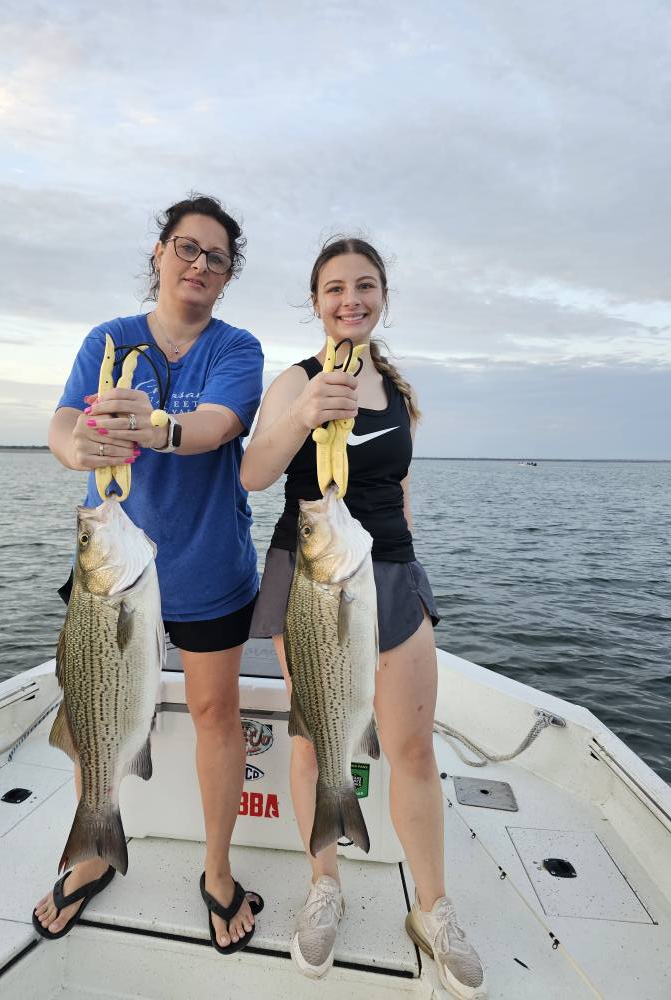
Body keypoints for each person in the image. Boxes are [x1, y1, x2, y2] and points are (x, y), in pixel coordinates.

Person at [240, 237, 486, 998]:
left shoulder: (400, 391)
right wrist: (306, 411)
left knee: (410, 749)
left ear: (383, 296)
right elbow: (253, 472)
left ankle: (433, 908)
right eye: (335, 288)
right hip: (310, 573)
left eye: (365, 286)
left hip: (389, 571)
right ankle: (325, 885)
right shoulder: (295, 379)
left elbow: (401, 488)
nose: (350, 299)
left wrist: (405, 561)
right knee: (315, 736)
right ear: (315, 302)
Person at [33, 194, 265, 954]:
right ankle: (93, 844)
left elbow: (221, 425)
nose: (199, 265)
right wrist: (77, 449)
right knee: (93, 706)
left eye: (216, 258)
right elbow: (65, 421)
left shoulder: (237, 348)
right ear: (161, 252)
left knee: (213, 715)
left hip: (205, 565)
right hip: (109, 571)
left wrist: (159, 426)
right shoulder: (110, 339)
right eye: (187, 248)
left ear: (228, 277)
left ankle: (219, 871)